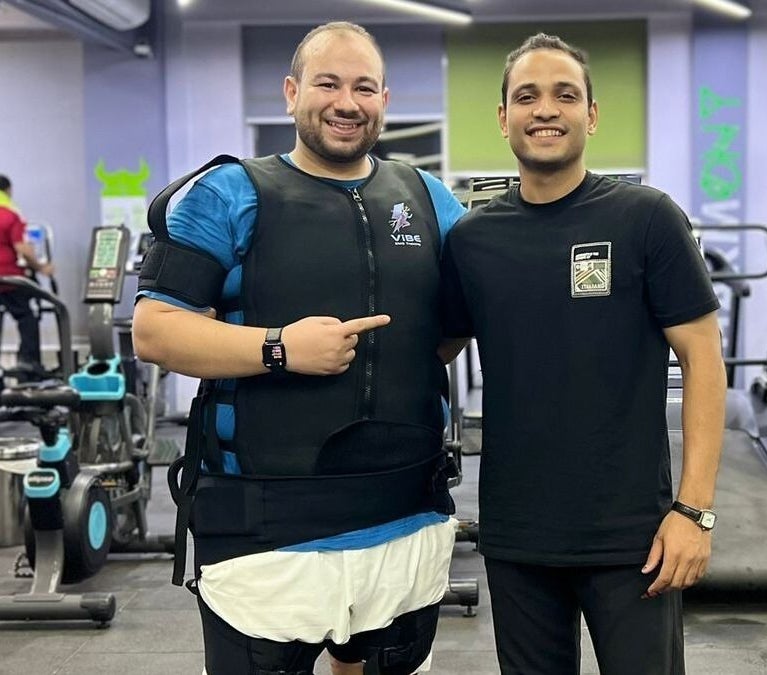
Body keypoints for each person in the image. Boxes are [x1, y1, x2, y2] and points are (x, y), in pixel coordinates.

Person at [132, 22, 466, 675]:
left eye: (364, 87)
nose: (347, 101)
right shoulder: (228, 193)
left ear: (385, 101)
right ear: (291, 93)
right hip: (266, 528)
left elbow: (453, 325)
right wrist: (280, 348)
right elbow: (155, 329)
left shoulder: (429, 200)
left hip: (406, 512)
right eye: (328, 83)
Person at [439, 33, 726, 674]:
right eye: (527, 96)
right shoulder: (473, 239)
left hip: (635, 538)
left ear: (591, 115)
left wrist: (694, 511)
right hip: (517, 537)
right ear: (504, 117)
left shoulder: (646, 218)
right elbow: (431, 351)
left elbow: (704, 359)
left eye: (565, 95)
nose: (546, 109)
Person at [0, 174, 55, 376]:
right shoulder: (10, 215)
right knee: (26, 317)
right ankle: (28, 362)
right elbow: (23, 249)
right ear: (7, 190)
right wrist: (42, 268)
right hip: (8, 279)